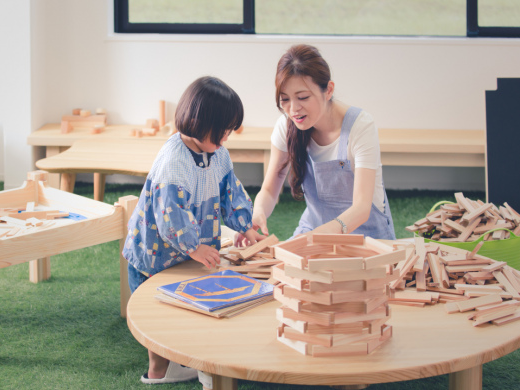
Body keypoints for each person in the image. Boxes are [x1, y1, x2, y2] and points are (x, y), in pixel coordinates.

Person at [122, 76, 265, 384]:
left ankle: (182, 358)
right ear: (200, 123)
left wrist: (245, 226)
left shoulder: (218, 153)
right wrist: (194, 247)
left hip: (187, 252)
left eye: (230, 129)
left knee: (185, 300)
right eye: (223, 129)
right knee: (157, 312)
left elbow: (231, 192)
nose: (227, 136)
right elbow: (170, 215)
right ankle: (158, 371)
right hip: (155, 253)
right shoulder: (174, 162)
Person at [250, 44, 395, 241]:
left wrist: (316, 237)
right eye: (285, 99)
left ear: (328, 90)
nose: (293, 109)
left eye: (303, 97)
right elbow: (269, 190)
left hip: (366, 235)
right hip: (314, 228)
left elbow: (361, 209)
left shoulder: (360, 127)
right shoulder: (286, 126)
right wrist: (258, 212)